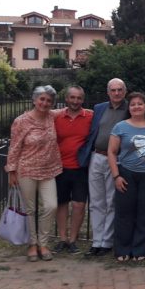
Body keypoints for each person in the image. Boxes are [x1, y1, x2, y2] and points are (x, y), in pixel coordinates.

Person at [5, 85, 62, 262]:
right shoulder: (21, 121)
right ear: (34, 99)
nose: (45, 103)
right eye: (42, 99)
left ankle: (43, 243)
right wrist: (11, 171)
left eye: (49, 101)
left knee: (51, 205)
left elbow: (72, 109)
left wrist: (98, 110)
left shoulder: (52, 116)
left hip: (48, 170)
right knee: (29, 209)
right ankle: (32, 244)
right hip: (26, 169)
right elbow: (14, 147)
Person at [107, 91, 145, 261]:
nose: (136, 107)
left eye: (140, 103)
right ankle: (122, 249)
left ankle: (140, 250)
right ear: (129, 108)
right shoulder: (120, 127)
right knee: (125, 213)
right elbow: (112, 152)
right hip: (127, 173)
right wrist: (116, 176)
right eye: (133, 104)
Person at [78, 78, 128, 257]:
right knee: (96, 201)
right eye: (113, 90)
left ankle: (107, 241)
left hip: (115, 159)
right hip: (96, 156)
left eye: (119, 90)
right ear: (108, 92)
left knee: (111, 201)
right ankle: (96, 240)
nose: (116, 93)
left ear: (124, 91)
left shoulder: (129, 109)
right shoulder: (99, 108)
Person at [52, 86, 93, 255]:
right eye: (72, 97)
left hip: (81, 168)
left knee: (79, 204)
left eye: (79, 98)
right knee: (61, 204)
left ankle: (73, 239)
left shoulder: (90, 116)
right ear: (66, 99)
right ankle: (62, 238)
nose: (75, 101)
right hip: (60, 167)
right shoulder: (56, 116)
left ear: (83, 100)